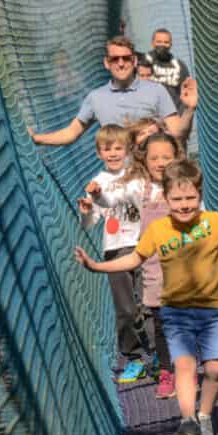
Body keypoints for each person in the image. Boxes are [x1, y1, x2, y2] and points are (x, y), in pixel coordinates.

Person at [75, 160, 218, 435]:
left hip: (212, 311)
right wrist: (96, 266)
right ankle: (187, 420)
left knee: (216, 369)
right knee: (184, 365)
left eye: (190, 198)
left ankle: (205, 414)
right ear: (166, 199)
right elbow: (134, 259)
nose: (184, 205)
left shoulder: (213, 222)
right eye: (177, 199)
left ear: (200, 196)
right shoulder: (158, 230)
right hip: (175, 312)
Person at [84, 132, 183, 399]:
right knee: (142, 309)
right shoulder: (133, 185)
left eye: (166, 157)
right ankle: (158, 363)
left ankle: (177, 362)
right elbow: (111, 202)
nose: (160, 163)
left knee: (167, 310)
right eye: (154, 158)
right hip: (138, 253)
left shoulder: (177, 184)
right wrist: (95, 200)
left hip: (176, 256)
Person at [28, 36, 196, 146]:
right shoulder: (96, 97)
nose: (121, 63)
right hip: (120, 180)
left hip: (153, 177)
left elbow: (177, 134)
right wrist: (38, 139)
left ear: (135, 61)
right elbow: (72, 132)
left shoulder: (156, 90)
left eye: (126, 58)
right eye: (115, 59)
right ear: (107, 63)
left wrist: (189, 109)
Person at [78, 125, 148, 383]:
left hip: (142, 243)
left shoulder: (138, 176)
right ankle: (134, 358)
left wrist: (101, 197)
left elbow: (139, 203)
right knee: (126, 309)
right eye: (107, 149)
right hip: (115, 249)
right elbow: (88, 224)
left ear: (128, 150)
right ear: (98, 153)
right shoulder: (98, 182)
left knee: (148, 303)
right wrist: (87, 209)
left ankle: (161, 356)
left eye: (118, 148)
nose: (113, 153)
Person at [144, 28, 191, 112]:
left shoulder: (179, 66)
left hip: (174, 116)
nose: (162, 45)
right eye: (159, 42)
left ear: (171, 44)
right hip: (148, 116)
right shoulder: (143, 63)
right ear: (152, 43)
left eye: (166, 42)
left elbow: (187, 92)